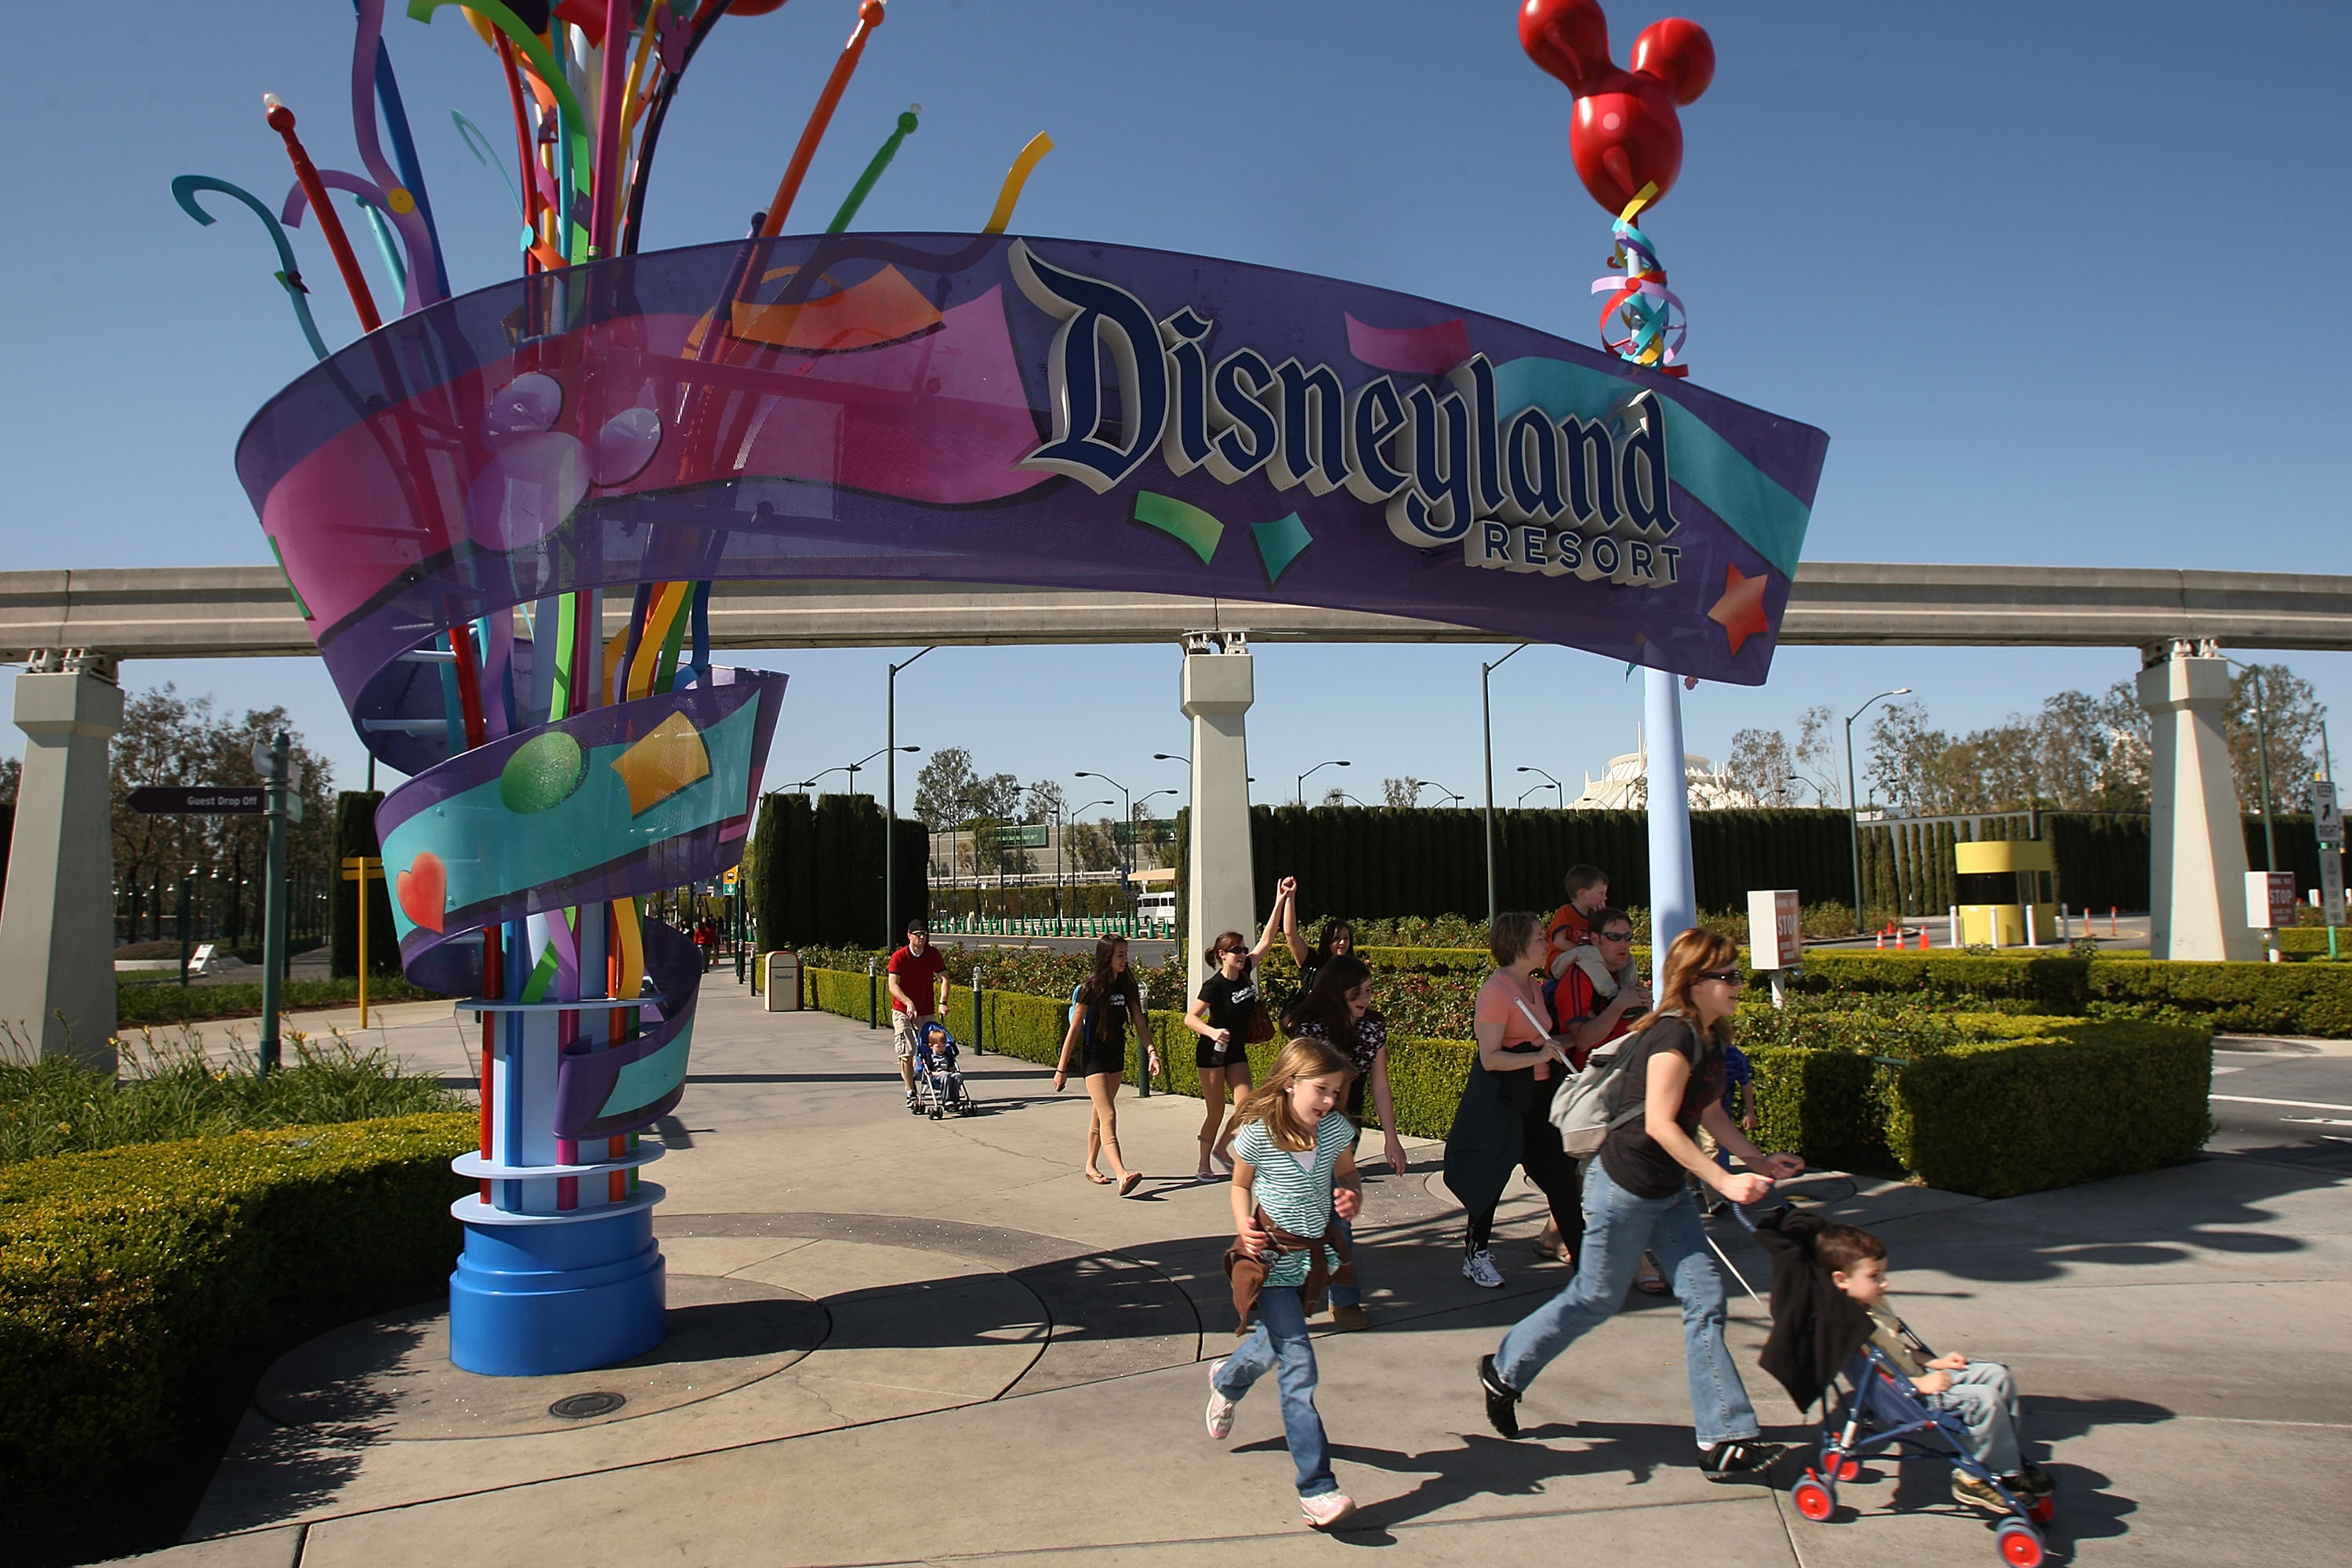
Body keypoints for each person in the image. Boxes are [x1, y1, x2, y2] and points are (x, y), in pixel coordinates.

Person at [1477, 927, 1806, 1483]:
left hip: (1667, 1190)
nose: (1737, 984)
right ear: (1696, 983)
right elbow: (1659, 1122)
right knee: (1595, 1298)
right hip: (1625, 1186)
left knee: (1704, 1297)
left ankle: (1724, 1438)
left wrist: (1756, 1161)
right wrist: (1724, 1185)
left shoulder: (1709, 1035)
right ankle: (1505, 1370)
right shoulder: (1673, 1038)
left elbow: (1707, 1113)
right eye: (1726, 976)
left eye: (1735, 974)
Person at [1204, 1036, 1365, 1530]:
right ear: (1291, 1082)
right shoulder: (1258, 1134)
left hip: (1312, 1264)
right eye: (1321, 1089)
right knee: (1299, 1367)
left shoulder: (1336, 1131)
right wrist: (1244, 1227)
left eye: (1336, 1092)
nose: (1329, 1101)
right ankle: (1317, 1489)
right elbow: (1239, 1183)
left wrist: (1351, 1198)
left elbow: (1349, 1177)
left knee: (1274, 1345)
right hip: (1272, 1263)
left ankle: (1227, 1380)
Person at [1816, 1223, 2053, 1509]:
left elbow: (1900, 1351)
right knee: (1985, 1401)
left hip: (1920, 1378)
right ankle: (1972, 1478)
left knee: (1998, 1374)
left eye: (1883, 1274)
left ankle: (2007, 1460)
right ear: (1842, 1280)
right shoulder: (1849, 1326)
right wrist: (1919, 1385)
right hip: (1908, 1397)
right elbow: (1875, 1375)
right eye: (1874, 1276)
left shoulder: (1875, 1304)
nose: (1885, 1283)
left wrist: (1936, 1362)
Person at [1443, 911, 1584, 1290]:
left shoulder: (1534, 987)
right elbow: (1491, 1058)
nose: (1546, 944)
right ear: (1519, 945)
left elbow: (1542, 1039)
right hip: (1505, 1100)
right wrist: (1539, 1056)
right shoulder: (1496, 992)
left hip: (1538, 1097)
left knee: (1561, 1176)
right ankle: (1476, 1256)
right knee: (1492, 1175)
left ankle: (1585, 1264)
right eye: (1540, 938)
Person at [1283, 953, 1410, 1330]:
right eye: (1358, 991)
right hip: (1302, 1133)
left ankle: (1345, 1299)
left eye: (1369, 990)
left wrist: (1392, 1137)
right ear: (1337, 993)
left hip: (1343, 1133)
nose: (1366, 998)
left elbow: (1380, 1084)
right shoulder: (1310, 1028)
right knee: (1297, 1213)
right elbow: (1290, 1082)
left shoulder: (1373, 1028)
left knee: (1341, 1217)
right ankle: (1285, 1292)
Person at [1540, 907, 1650, 1265]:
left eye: (1628, 937)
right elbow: (1583, 1037)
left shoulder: (1626, 976)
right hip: (1588, 1081)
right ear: (1595, 939)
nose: (1623, 944)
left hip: (1622, 1078)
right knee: (1606, 1167)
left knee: (1591, 1168)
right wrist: (1620, 1006)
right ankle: (1632, 1257)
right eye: (1614, 937)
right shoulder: (1579, 977)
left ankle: (1554, 1234)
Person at [1183, 877, 1297, 1181]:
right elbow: (1190, 1018)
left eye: (1243, 949)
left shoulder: (1246, 971)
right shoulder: (1214, 985)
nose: (1243, 953)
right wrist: (1212, 1032)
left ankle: (1222, 1149)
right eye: (1236, 950)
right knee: (1216, 1111)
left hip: (1236, 1050)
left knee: (1248, 1106)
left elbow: (1268, 940)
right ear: (1222, 954)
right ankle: (1204, 1162)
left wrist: (1280, 900)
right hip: (1212, 1053)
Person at [1054, 935, 1159, 1195]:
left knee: (1099, 1114)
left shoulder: (1127, 985)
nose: (1125, 959)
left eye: (1125, 954)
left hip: (1116, 1055)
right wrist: (1062, 1069)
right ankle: (1122, 1174)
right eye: (1120, 955)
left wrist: (1153, 1053)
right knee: (1109, 1114)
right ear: (1107, 957)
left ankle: (1090, 1165)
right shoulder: (1090, 988)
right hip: (1095, 1057)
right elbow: (1075, 1029)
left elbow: (1140, 1025)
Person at [886, 919, 949, 1110]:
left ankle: (936, 1084)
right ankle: (910, 1091)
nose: (922, 938)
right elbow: (893, 985)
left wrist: (943, 1002)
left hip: (926, 1009)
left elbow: (944, 978)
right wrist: (908, 1002)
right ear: (909, 936)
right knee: (906, 1051)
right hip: (902, 1010)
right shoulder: (899, 957)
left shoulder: (932, 954)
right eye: (918, 935)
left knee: (930, 1048)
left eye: (924, 934)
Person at [1543, 863, 1611, 984]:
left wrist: (1602, 917)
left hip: (1582, 961)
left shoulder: (1592, 916)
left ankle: (1631, 986)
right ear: (1583, 894)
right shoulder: (1566, 912)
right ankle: (1611, 991)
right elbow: (1559, 942)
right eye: (1601, 893)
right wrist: (1584, 951)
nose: (1605, 898)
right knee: (1590, 952)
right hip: (1559, 962)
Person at [1283, 909, 1357, 1007]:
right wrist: (1290, 898)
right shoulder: (1313, 961)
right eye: (1337, 938)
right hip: (1313, 1017)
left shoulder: (1354, 968)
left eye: (1346, 938)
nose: (1343, 943)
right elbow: (1290, 933)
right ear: (1327, 939)